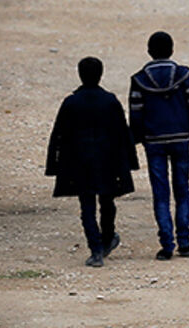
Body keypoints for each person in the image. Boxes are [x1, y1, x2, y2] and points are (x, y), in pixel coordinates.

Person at [46, 56, 139, 268]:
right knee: (107, 203)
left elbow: (58, 135)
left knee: (86, 207)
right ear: (101, 75)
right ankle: (107, 239)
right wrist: (130, 163)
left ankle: (96, 249)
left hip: (79, 163)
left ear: (80, 74)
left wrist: (53, 165)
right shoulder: (110, 101)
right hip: (108, 162)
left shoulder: (71, 102)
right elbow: (123, 133)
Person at [129, 31, 189, 260]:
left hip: (154, 142)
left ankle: (167, 244)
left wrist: (139, 137)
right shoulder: (184, 75)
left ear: (149, 51)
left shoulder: (139, 80)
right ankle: (185, 242)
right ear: (172, 50)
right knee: (182, 190)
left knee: (160, 193)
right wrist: (188, 133)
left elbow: (135, 115)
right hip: (180, 138)